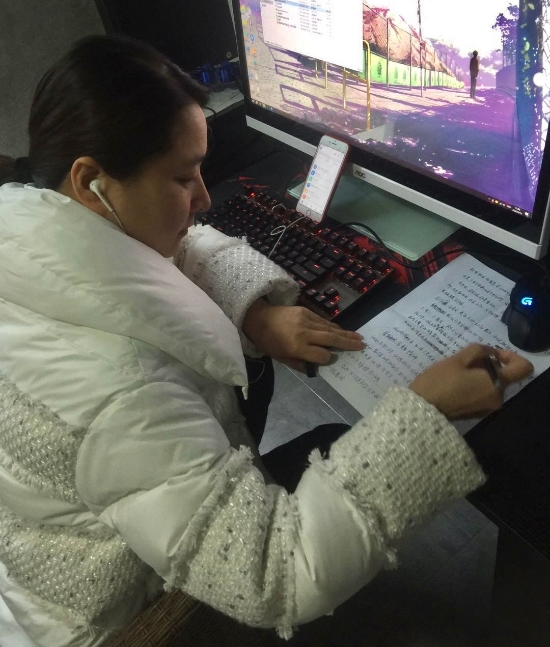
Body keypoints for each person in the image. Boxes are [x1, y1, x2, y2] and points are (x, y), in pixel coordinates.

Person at [0, 35, 532, 647]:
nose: (203, 198)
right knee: (344, 441)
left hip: (61, 545)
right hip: (122, 611)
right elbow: (276, 577)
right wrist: (429, 412)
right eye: (183, 177)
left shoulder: (35, 228)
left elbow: (173, 249)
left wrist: (255, 312)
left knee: (306, 419)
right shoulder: (121, 392)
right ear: (91, 181)